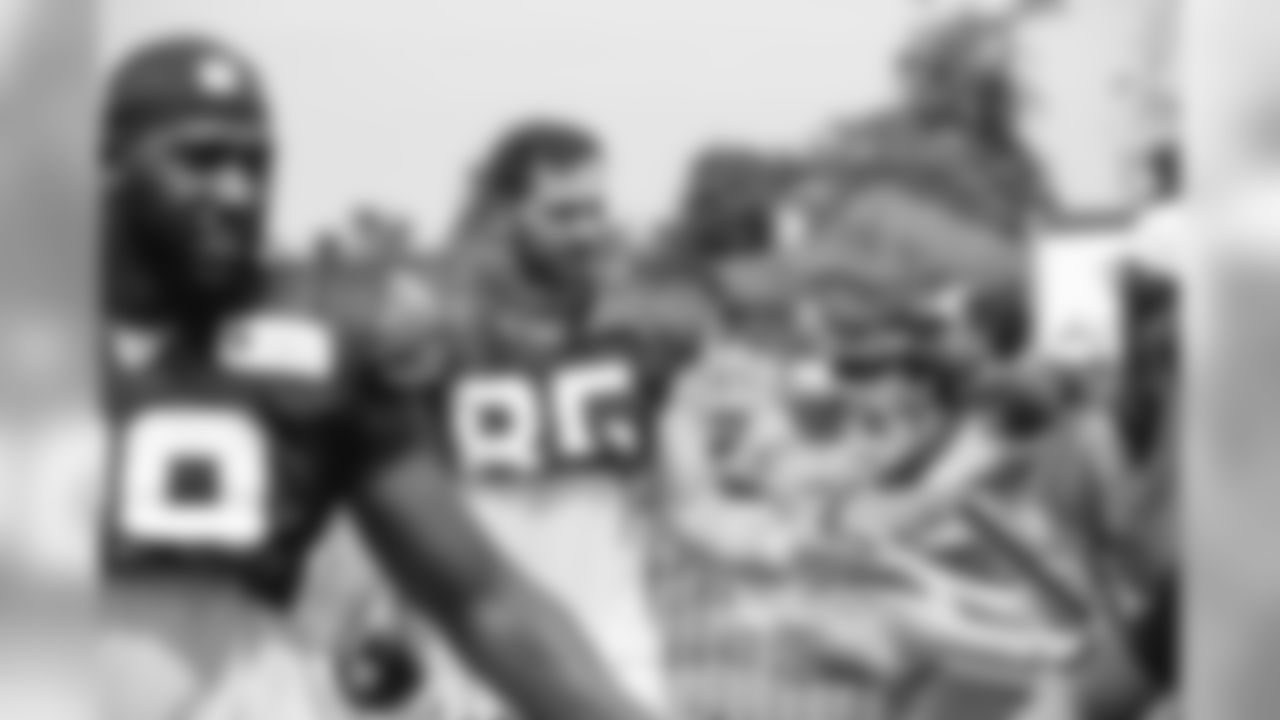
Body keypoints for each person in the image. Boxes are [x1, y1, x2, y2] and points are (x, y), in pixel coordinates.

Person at [97, 34, 665, 720]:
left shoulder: (319, 338)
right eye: (202, 159)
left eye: (256, 164)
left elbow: (482, 598)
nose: (238, 191)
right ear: (110, 155)